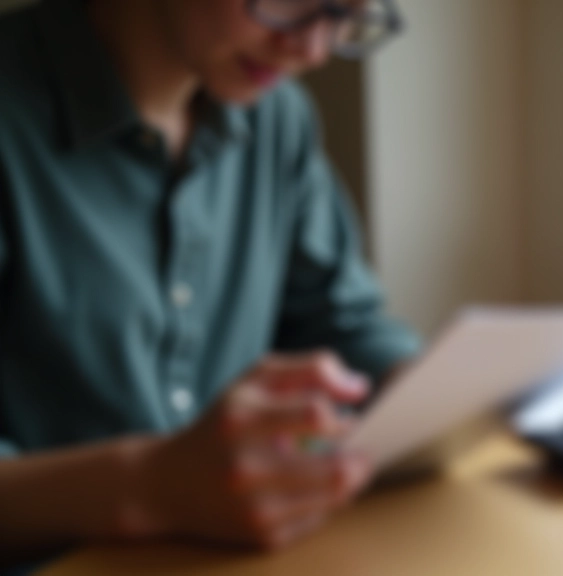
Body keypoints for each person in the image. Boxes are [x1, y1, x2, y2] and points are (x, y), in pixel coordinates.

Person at [0, 0, 420, 568]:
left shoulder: (277, 119)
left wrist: (432, 391)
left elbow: (339, 321)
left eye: (345, 10)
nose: (313, 50)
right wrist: (153, 486)